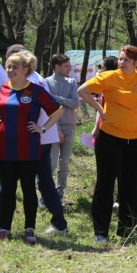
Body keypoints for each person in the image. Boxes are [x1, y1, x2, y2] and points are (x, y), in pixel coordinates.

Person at [78, 45, 137, 243]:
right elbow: (83, 90)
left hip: (136, 140)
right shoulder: (109, 77)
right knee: (105, 184)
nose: (122, 63)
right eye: (121, 59)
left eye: (127, 60)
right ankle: (100, 233)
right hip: (110, 138)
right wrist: (100, 108)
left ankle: (127, 230)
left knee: (130, 185)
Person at [1, 46, 69, 236]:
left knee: (37, 185)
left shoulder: (35, 85)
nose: (10, 69)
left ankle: (54, 224)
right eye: (8, 65)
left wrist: (45, 128)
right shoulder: (4, 88)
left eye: (15, 65)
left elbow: (56, 110)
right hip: (10, 145)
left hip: (36, 144)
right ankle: (3, 225)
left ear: (25, 68)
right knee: (7, 188)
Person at [46, 53, 79, 201]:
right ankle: (47, 193)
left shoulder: (72, 82)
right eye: (66, 66)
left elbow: (75, 103)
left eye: (70, 66)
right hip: (52, 127)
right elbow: (47, 107)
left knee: (64, 163)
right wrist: (57, 129)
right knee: (51, 163)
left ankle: (59, 194)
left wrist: (55, 98)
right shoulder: (46, 83)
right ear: (56, 67)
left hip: (70, 126)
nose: (69, 69)